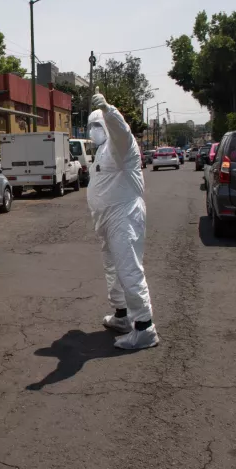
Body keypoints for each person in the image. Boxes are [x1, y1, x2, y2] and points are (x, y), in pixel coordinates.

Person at [87, 92, 159, 350]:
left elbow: (122, 132)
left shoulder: (120, 146)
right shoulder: (103, 150)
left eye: (98, 125)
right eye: (91, 125)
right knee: (113, 269)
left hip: (124, 216)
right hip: (107, 219)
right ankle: (121, 315)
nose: (93, 130)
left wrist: (109, 111)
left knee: (129, 269)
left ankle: (144, 327)